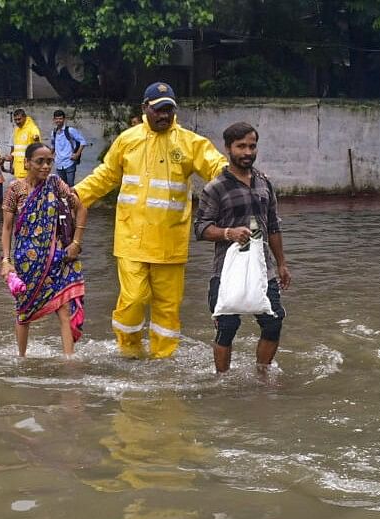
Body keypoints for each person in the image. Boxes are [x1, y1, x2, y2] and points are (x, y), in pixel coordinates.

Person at [73, 82, 227, 359]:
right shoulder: (128, 140)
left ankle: (163, 360)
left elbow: (217, 167)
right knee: (132, 299)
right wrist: (74, 196)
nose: (164, 116)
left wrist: (238, 182)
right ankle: (129, 351)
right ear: (145, 108)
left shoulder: (191, 143)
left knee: (168, 306)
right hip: (132, 238)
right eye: (158, 110)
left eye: (168, 109)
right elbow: (106, 175)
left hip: (171, 242)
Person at [194, 122, 291, 373]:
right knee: (227, 327)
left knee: (273, 323)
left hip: (263, 268)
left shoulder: (264, 183)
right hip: (226, 268)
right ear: (228, 149)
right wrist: (229, 233)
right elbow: (201, 228)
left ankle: (262, 374)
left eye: (252, 146)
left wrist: (281, 264)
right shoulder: (216, 188)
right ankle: (222, 380)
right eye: (241, 146)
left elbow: (273, 226)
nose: (247, 152)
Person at [0, 142, 89, 357]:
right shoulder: (15, 189)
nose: (46, 166)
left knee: (65, 309)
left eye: (49, 161)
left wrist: (75, 243)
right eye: (40, 161)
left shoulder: (56, 184)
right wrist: (6, 260)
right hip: (26, 262)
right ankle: (21, 359)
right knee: (24, 312)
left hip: (57, 258)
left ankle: (69, 361)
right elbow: (7, 227)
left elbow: (81, 208)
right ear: (27, 163)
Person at [51, 109, 87, 186]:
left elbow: (83, 142)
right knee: (61, 187)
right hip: (58, 164)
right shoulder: (53, 132)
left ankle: (72, 198)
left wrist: (77, 154)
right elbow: (53, 146)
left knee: (70, 187)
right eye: (56, 119)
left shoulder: (70, 130)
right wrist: (50, 156)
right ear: (54, 120)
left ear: (64, 119)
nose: (58, 120)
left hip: (69, 162)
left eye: (60, 118)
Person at [7, 108, 41, 182]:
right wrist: (12, 165)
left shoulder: (32, 128)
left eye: (19, 119)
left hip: (28, 170)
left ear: (25, 117)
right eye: (15, 120)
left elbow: (37, 145)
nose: (17, 122)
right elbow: (15, 149)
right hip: (18, 169)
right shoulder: (16, 130)